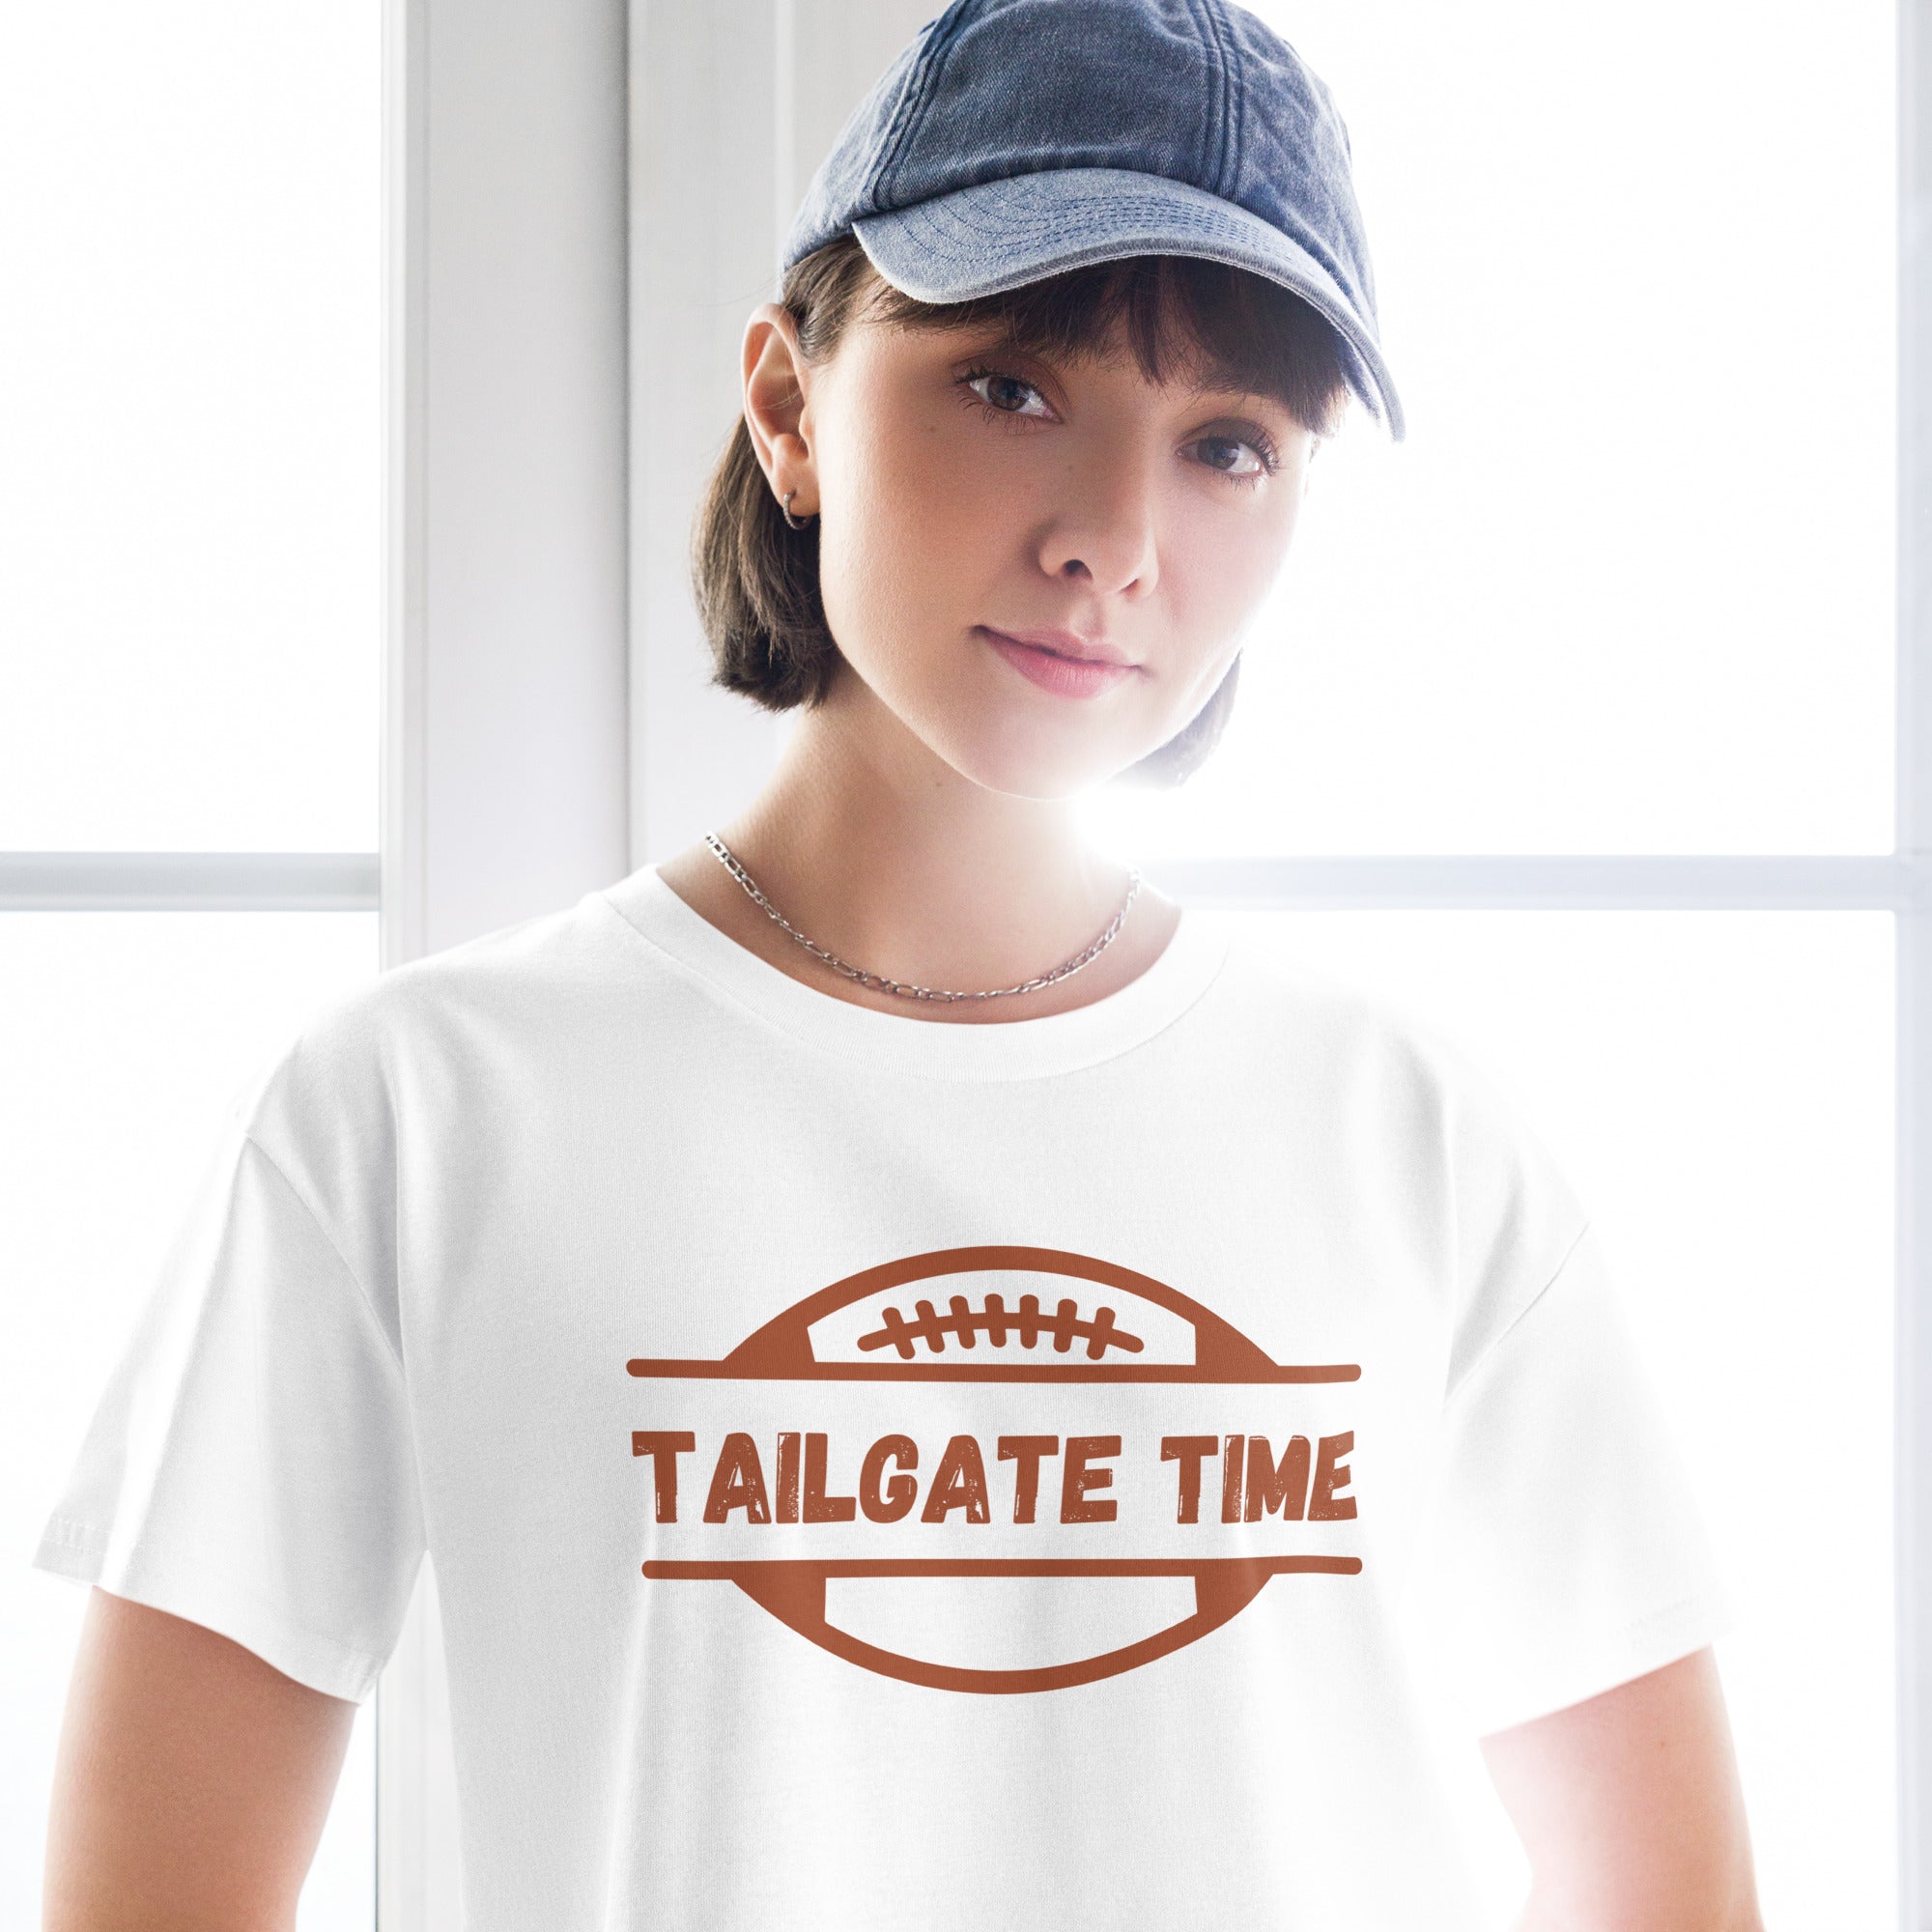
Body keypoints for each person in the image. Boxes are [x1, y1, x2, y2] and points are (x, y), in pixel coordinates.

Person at [35, 2, 1764, 1926]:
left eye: (1228, 445)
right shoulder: (418, 1113)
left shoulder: (1405, 1135)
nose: (1113, 538)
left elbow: (1668, 1899)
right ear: (787, 403)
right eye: (1011, 385)